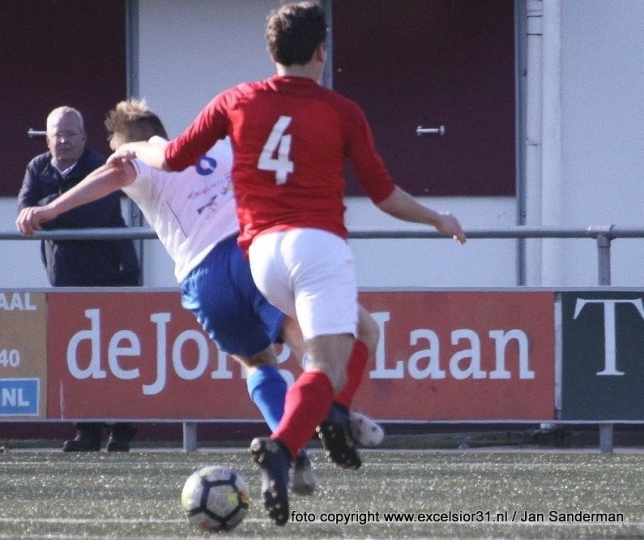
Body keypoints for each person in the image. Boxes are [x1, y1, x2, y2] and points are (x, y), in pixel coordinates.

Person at [107, 2, 466, 526]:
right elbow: (384, 194)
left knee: (327, 343)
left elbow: (176, 155)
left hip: (260, 257)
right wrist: (437, 218)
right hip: (314, 247)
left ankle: (327, 416)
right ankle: (301, 433)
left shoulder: (236, 99)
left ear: (271, 51)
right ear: (321, 53)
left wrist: (138, 149)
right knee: (341, 354)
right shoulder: (341, 110)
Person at [17, 99, 385, 494]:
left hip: (201, 278)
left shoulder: (137, 158)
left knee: (258, 362)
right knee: (314, 349)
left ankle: (294, 453)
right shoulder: (217, 147)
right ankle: (330, 414)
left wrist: (49, 209)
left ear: (129, 141)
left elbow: (109, 177)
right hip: (248, 254)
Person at [17, 106, 140, 453]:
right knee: (79, 356)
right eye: (57, 133)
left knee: (116, 356)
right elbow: (24, 213)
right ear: (47, 136)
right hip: (65, 277)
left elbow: (91, 211)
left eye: (70, 134)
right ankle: (86, 430)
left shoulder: (99, 167)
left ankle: (121, 430)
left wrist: (47, 211)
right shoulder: (37, 167)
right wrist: (48, 213)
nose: (63, 140)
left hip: (111, 274)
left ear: (83, 138)